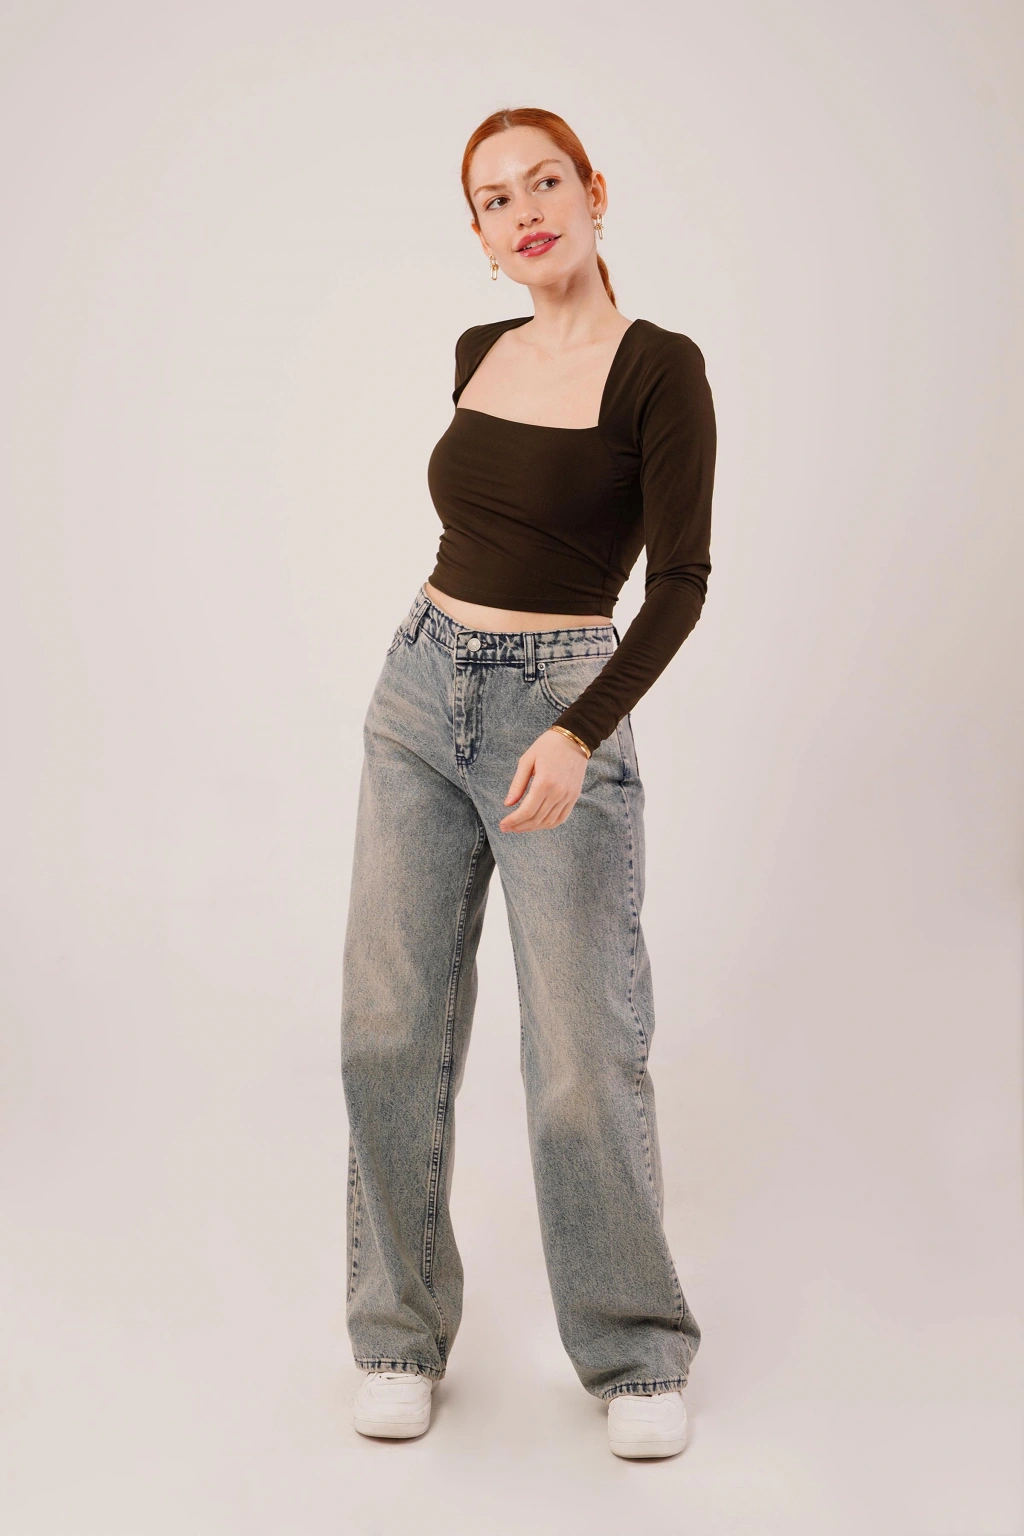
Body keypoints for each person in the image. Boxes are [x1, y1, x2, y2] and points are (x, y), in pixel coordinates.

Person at [341, 105, 716, 1460]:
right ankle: (396, 1335)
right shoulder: (477, 351)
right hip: (417, 689)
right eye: (495, 200)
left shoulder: (659, 369)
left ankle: (634, 1351)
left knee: (580, 1051)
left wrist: (578, 732)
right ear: (482, 236)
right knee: (389, 1030)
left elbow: (680, 583)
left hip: (560, 705)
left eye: (544, 182)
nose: (525, 212)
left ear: (594, 191)